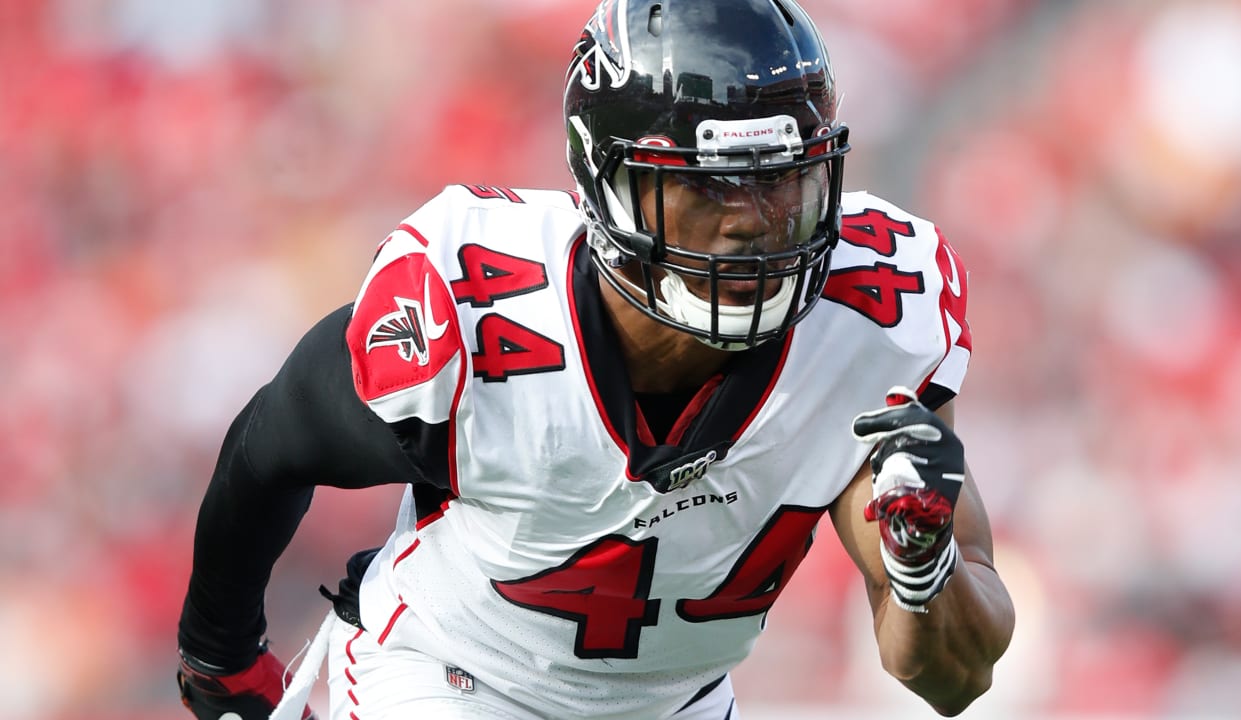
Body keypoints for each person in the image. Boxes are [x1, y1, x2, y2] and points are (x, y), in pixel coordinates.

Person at [176, 0, 1015, 718]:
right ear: (608, 182)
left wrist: (922, 567)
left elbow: (952, 681)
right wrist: (219, 653)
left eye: (780, 180)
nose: (752, 221)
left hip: (676, 702)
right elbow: (274, 444)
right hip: (449, 673)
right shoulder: (478, 308)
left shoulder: (869, 324)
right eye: (709, 184)